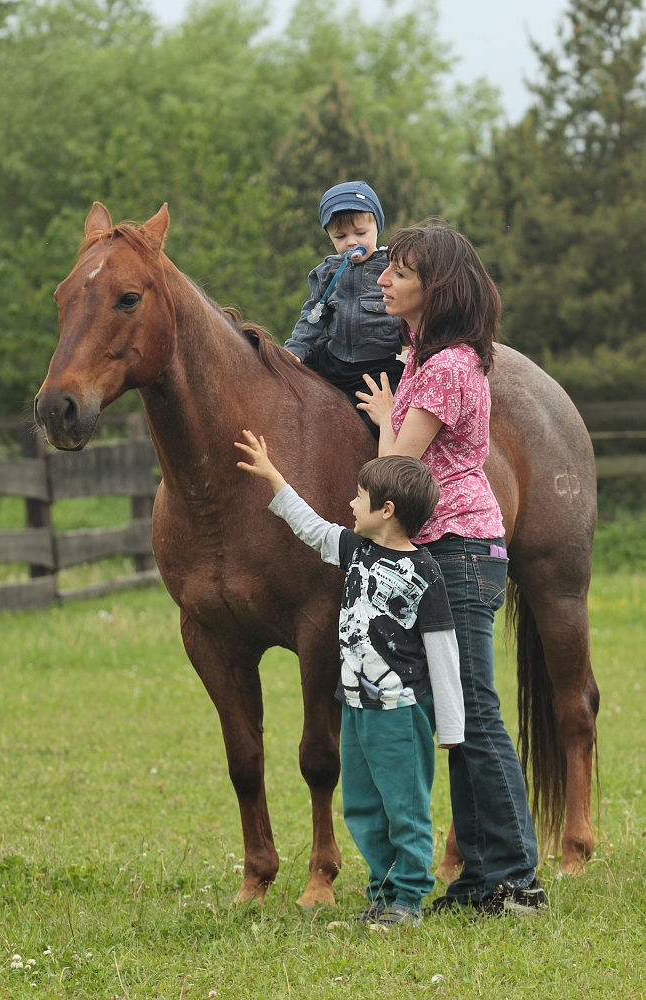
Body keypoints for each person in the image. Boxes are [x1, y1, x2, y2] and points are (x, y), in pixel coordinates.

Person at [356, 222, 548, 916]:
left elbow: (397, 473)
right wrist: (387, 410)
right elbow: (403, 461)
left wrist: (384, 425)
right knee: (456, 717)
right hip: (442, 550)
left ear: (433, 288)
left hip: (459, 550)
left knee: (473, 712)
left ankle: (515, 880)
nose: (383, 280)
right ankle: (479, 879)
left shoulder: (445, 367)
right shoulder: (422, 359)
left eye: (399, 273)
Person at [234, 432, 465, 926]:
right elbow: (312, 528)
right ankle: (382, 894)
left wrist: (450, 727)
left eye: (358, 497)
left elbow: (443, 653)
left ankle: (408, 897)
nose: (349, 503)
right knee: (362, 806)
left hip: (400, 713)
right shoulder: (357, 550)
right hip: (356, 706)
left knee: (405, 808)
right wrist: (274, 477)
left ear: (385, 509)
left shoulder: (425, 574)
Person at [284, 181, 404, 439]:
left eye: (360, 233)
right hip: (332, 359)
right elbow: (313, 316)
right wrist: (295, 349)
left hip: (375, 369)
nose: (351, 242)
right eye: (340, 237)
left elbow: (411, 314)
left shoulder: (392, 268)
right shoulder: (327, 272)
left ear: (377, 227)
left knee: (381, 424)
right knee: (283, 388)